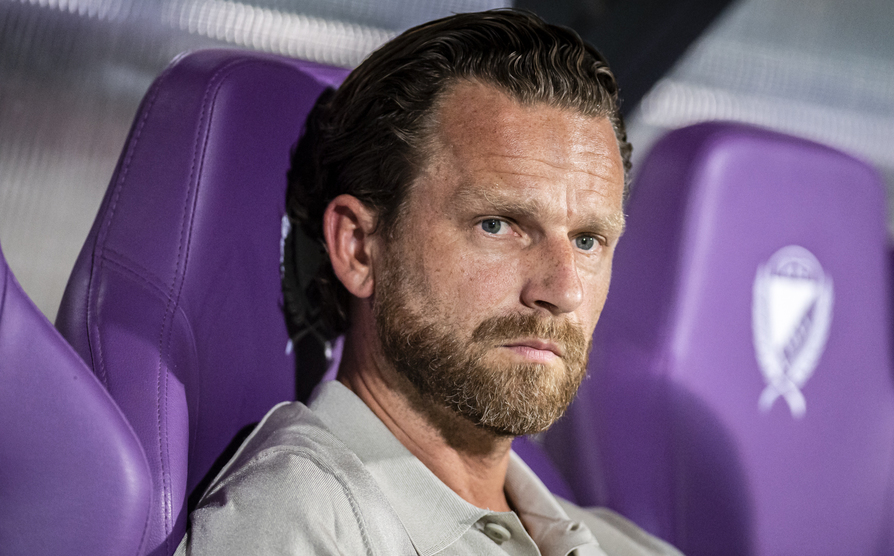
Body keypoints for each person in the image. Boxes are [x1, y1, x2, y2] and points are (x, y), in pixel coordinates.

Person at [179, 9, 682, 556]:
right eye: (497, 225)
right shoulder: (299, 523)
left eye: (587, 240)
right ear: (359, 248)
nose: (564, 291)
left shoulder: (633, 548)